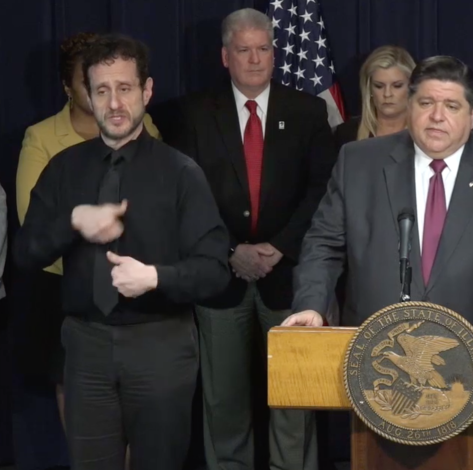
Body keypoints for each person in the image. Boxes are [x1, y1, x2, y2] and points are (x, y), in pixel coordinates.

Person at [281, 55, 473, 470]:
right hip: (377, 366)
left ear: (472, 115)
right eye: (425, 103)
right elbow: (324, 243)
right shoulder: (359, 162)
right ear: (410, 106)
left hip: (470, 368)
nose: (437, 116)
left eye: (451, 106)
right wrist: (310, 305)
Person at [13, 33, 230, 470]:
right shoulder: (63, 170)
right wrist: (72, 222)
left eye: (125, 88)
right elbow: (24, 255)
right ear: (87, 97)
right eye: (102, 90)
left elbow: (215, 272)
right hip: (85, 347)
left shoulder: (181, 173)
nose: (114, 103)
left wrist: (155, 278)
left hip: (161, 346)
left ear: (146, 92)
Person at [165, 8, 335, 470]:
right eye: (244, 50)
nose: (256, 59)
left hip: (290, 278)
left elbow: (322, 191)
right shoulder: (192, 113)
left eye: (264, 49)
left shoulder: (308, 110)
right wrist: (229, 251)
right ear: (225, 56)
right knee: (224, 404)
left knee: (293, 404)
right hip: (222, 279)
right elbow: (184, 197)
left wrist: (279, 247)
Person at [14, 31, 161, 444]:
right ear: (70, 87)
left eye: (121, 86)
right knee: (79, 397)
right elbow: (35, 223)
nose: (111, 99)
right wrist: (84, 230)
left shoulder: (144, 125)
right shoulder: (42, 138)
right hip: (64, 288)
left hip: (133, 284)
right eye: (94, 85)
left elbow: (156, 207)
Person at [333, 45, 416, 147]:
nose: (387, 94)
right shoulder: (347, 133)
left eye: (397, 86)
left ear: (411, 87)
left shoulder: (426, 132)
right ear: (369, 88)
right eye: (379, 86)